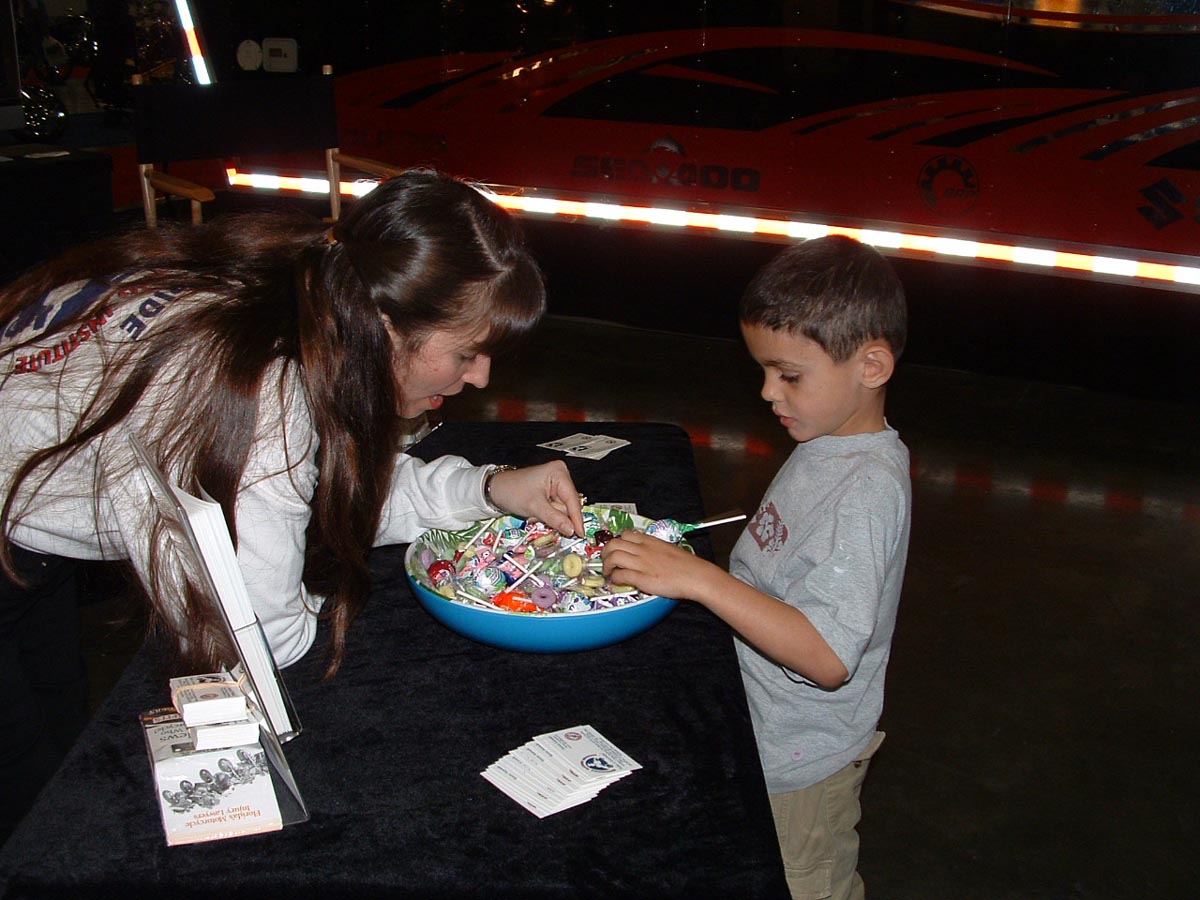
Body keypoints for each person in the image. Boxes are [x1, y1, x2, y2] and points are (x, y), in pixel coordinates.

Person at [0, 169, 585, 844]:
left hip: (28, 521)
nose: (480, 377)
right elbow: (260, 635)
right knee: (31, 802)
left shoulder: (310, 287)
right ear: (383, 324)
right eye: (467, 352)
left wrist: (487, 488)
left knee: (59, 730)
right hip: (15, 530)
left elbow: (325, 486)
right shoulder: (258, 396)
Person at [602, 235, 911, 900]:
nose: (768, 392)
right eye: (765, 371)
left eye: (789, 375)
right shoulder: (827, 441)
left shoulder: (865, 491)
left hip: (800, 767)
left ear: (872, 365)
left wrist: (700, 580)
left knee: (804, 887)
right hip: (759, 730)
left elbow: (829, 657)